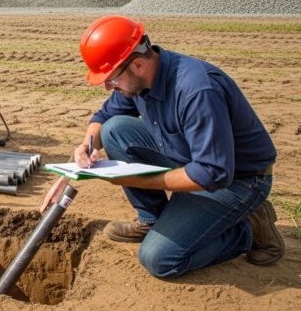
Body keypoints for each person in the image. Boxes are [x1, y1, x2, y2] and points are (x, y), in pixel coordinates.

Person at [41, 15, 284, 278]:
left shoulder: (196, 90)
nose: (109, 87)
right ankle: (152, 219)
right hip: (192, 160)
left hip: (238, 180)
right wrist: (87, 145)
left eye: (111, 80)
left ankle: (245, 229)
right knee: (114, 130)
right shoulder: (141, 78)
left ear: (136, 64)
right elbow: (103, 118)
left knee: (159, 260)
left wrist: (139, 179)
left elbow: (212, 173)